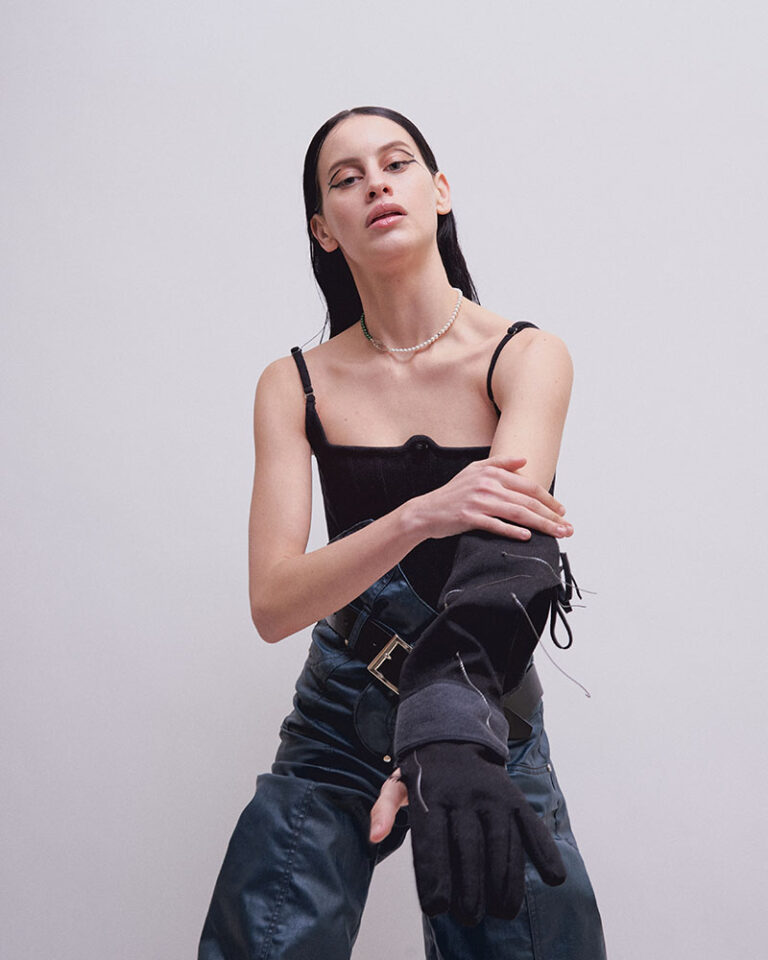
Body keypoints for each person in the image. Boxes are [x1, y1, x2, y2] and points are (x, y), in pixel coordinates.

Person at [198, 106, 607, 960]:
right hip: (342, 707)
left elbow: (511, 558)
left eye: (397, 164)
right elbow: (274, 603)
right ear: (324, 228)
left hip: (483, 698)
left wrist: (446, 726)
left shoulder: (525, 354)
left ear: (439, 190)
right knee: (262, 938)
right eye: (346, 179)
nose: (376, 185)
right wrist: (423, 513)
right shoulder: (294, 383)